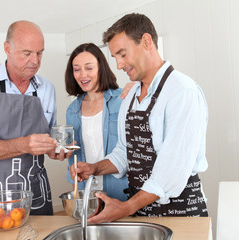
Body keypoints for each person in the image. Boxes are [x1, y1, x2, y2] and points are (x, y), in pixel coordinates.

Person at [71, 13, 209, 223]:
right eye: (115, 57)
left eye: (122, 54)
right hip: (141, 210)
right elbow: (125, 152)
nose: (118, 65)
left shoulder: (182, 92)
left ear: (146, 42)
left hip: (181, 212)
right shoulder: (132, 95)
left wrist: (125, 208)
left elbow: (170, 171)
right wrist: (95, 168)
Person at [0, 20, 71, 215]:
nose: (35, 60)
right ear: (7, 49)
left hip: (36, 190)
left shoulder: (46, 88)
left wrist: (56, 150)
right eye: (27, 53)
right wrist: (24, 144)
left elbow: (49, 136)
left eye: (39, 53)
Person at [65, 43, 129, 201]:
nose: (82, 75)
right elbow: (73, 156)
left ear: (101, 68)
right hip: (87, 193)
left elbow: (132, 151)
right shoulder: (72, 110)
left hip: (121, 193)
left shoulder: (123, 100)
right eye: (77, 69)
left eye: (89, 68)